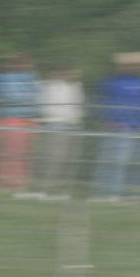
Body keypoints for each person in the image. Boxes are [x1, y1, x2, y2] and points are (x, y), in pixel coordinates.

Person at [92, 52, 140, 201]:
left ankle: (131, 194)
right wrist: (103, 120)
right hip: (119, 128)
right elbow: (101, 102)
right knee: (113, 163)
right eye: (133, 65)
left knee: (137, 165)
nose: (137, 68)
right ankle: (106, 193)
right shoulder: (111, 82)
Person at [0, 53, 40, 194]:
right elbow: (7, 96)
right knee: (8, 152)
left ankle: (19, 182)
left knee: (23, 153)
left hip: (26, 119)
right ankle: (3, 182)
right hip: (9, 118)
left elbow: (35, 97)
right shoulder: (3, 78)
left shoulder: (31, 78)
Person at [34, 65, 84, 199]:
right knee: (52, 160)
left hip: (73, 127)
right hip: (54, 126)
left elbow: (79, 108)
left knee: (69, 160)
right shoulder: (46, 86)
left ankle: (62, 190)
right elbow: (44, 108)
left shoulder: (75, 87)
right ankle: (45, 188)